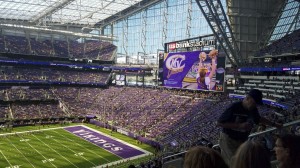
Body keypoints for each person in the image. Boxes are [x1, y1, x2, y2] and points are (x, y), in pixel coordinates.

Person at [217, 89, 282, 166]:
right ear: (248, 98)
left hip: (242, 140)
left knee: (241, 162)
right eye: (254, 103)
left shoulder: (253, 109)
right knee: (234, 163)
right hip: (229, 140)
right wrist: (239, 126)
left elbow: (259, 119)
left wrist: (274, 124)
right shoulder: (234, 107)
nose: (255, 105)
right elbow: (219, 123)